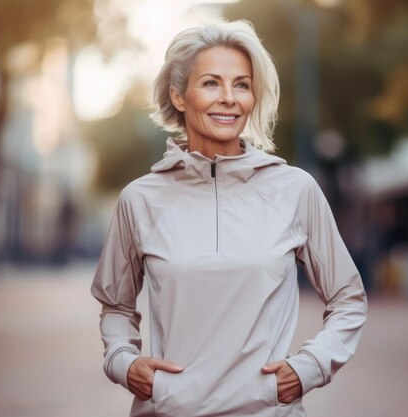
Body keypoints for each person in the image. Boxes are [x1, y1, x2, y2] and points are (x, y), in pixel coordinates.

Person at [91, 19, 367, 417]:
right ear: (179, 96)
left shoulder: (295, 190)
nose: (229, 98)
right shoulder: (140, 199)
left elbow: (349, 299)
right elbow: (115, 306)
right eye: (211, 83)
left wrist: (311, 367)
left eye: (241, 84)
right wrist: (123, 361)